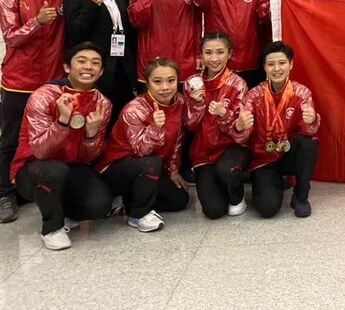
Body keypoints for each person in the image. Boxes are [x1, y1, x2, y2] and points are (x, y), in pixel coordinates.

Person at [10, 42, 112, 250]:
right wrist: (62, 122)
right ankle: (51, 228)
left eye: (95, 63)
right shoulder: (44, 95)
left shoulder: (103, 103)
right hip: (34, 166)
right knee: (54, 171)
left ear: (101, 72)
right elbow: (40, 151)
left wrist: (92, 134)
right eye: (81, 61)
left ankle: (62, 210)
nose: (88, 67)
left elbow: (86, 158)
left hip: (72, 165)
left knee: (100, 205)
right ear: (67, 67)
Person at [0, 0, 65, 223]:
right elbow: (11, 39)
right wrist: (36, 22)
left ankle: (36, 189)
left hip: (52, 81)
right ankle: (4, 194)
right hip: (18, 81)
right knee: (11, 139)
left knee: (49, 141)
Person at [97, 58, 189, 232]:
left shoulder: (179, 102)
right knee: (152, 162)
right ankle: (138, 214)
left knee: (179, 200)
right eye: (157, 81)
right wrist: (155, 128)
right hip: (117, 166)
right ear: (147, 83)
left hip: (148, 167)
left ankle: (125, 200)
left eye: (171, 81)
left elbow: (177, 138)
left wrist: (173, 170)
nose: (165, 87)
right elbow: (141, 150)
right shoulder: (135, 109)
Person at [64, 0, 137, 124]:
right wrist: (91, 5)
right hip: (95, 69)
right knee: (96, 121)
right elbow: (75, 34)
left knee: (122, 119)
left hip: (123, 67)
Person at [245, 42, 320, 218]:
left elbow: (309, 132)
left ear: (291, 64)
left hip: (289, 153)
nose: (276, 69)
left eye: (282, 63)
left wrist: (312, 120)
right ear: (264, 67)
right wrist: (240, 125)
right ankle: (272, 182)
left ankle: (300, 197)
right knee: (267, 209)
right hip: (264, 158)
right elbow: (241, 136)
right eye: (271, 64)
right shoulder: (254, 95)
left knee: (309, 144)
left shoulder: (302, 93)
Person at [184, 32, 252, 219]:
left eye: (220, 52)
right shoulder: (192, 82)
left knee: (227, 170)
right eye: (208, 52)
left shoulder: (238, 84)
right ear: (201, 54)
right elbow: (189, 125)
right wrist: (197, 105)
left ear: (229, 54)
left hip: (231, 146)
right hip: (203, 151)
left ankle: (237, 197)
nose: (214, 59)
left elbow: (242, 132)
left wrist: (224, 115)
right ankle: (221, 186)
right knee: (213, 211)